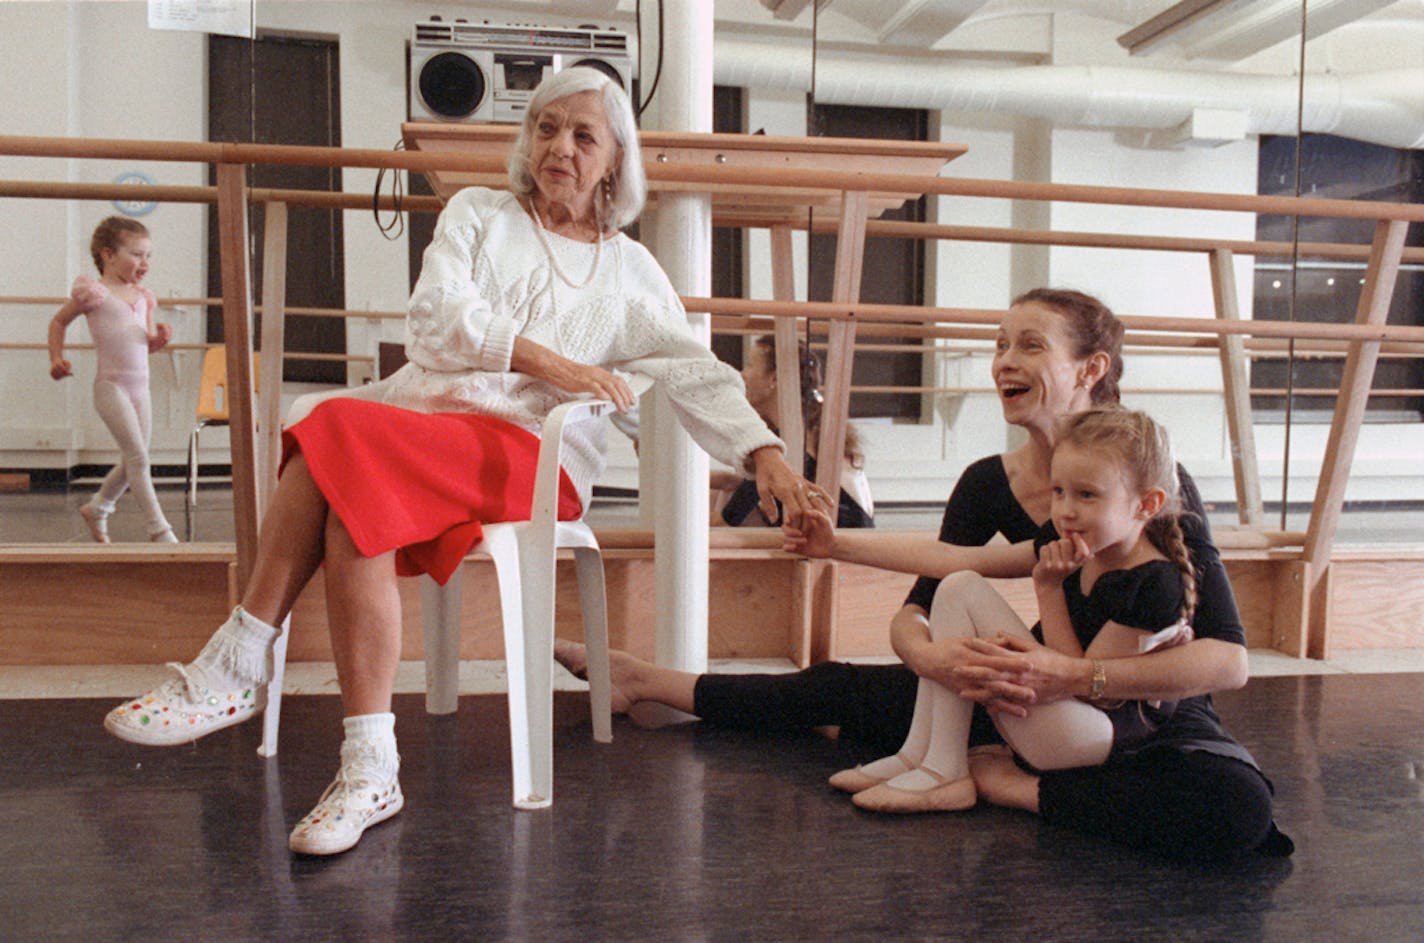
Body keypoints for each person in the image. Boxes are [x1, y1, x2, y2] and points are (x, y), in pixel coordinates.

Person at [102, 67, 828, 857]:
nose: (561, 146)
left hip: (533, 459)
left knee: (338, 430)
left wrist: (766, 455)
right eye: (547, 127)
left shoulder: (630, 273)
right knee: (350, 492)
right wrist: (559, 363)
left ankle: (243, 657)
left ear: (616, 159)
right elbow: (435, 321)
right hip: (424, 433)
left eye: (584, 135)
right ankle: (366, 761)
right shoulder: (478, 212)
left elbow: (694, 370)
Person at [555, 288, 1291, 861]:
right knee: (842, 688)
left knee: (1233, 807)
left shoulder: (1148, 480)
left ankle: (1021, 787)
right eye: (999, 343)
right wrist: (932, 654)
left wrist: (1070, 679)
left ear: (1090, 369)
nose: (1003, 359)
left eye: (1030, 345)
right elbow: (939, 584)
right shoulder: (987, 484)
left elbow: (1225, 659)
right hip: (1021, 682)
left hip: (1125, 706)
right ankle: (647, 680)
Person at [833, 406, 1198, 814]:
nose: (1066, 511)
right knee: (959, 585)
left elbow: (1077, 682)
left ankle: (944, 772)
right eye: (1059, 492)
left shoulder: (1153, 583)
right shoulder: (1076, 540)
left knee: (964, 587)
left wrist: (1048, 587)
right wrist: (835, 546)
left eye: (1087, 495)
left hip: (1093, 738)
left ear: (1146, 504)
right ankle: (924, 754)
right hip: (1060, 716)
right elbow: (951, 557)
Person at [48, 216, 177, 543]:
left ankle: (99, 507)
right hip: (111, 387)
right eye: (136, 254)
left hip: (140, 388)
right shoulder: (95, 293)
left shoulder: (144, 297)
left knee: (136, 457)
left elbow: (143, 343)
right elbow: (58, 322)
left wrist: (157, 341)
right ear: (107, 255)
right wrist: (55, 358)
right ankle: (159, 530)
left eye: (149, 255)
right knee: (137, 458)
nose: (144, 262)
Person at [714, 335, 873, 528]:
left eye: (749, 365)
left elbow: (726, 521)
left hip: (841, 553)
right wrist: (723, 480)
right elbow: (745, 491)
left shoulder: (787, 447)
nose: (742, 375)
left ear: (773, 379)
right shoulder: (809, 435)